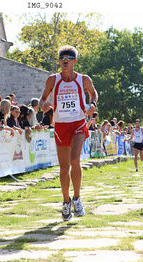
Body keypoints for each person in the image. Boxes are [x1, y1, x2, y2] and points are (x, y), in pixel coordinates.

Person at [38, 45, 98, 221]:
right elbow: (43, 98)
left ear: (74, 62)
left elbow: (93, 94)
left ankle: (77, 198)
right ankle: (66, 203)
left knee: (74, 160)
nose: (65, 60)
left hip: (78, 123)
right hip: (61, 125)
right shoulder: (52, 80)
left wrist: (93, 105)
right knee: (64, 167)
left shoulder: (83, 79)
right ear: (59, 61)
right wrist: (44, 105)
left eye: (69, 58)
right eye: (62, 58)